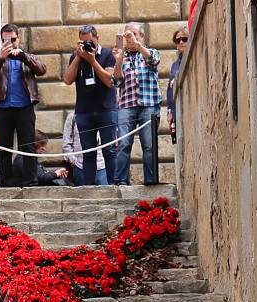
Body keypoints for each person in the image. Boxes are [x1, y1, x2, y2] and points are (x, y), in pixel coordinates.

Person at [0, 23, 47, 187]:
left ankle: (30, 181)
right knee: (4, 148)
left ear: (18, 39)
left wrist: (24, 57)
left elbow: (42, 70)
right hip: (3, 109)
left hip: (24, 107)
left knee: (27, 145)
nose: (11, 43)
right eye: (6, 40)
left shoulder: (27, 57)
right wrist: (0, 58)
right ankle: (6, 183)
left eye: (13, 39)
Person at [63, 24, 117, 186]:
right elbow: (67, 80)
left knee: (109, 150)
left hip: (105, 109)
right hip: (84, 111)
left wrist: (92, 61)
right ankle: (88, 187)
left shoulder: (107, 54)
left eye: (90, 42)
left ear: (97, 39)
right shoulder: (76, 56)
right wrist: (79, 57)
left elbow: (109, 81)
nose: (87, 45)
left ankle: (113, 185)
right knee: (88, 152)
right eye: (83, 42)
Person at [113, 22, 162, 185]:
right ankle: (121, 181)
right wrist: (118, 62)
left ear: (142, 36)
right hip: (127, 105)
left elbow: (153, 60)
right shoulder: (122, 56)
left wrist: (137, 44)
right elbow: (117, 82)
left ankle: (151, 180)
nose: (130, 38)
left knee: (149, 145)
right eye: (127, 35)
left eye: (134, 34)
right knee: (123, 144)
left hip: (148, 105)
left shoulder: (150, 52)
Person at [62, 110, 107, 185]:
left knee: (105, 195)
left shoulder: (106, 114)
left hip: (102, 166)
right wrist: (73, 160)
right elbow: (66, 142)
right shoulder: (73, 116)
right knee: (83, 195)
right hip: (80, 166)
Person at [168, 27, 188, 143]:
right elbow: (170, 91)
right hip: (177, 109)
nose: (181, 42)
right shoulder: (175, 65)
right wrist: (170, 111)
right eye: (178, 40)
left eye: (184, 39)